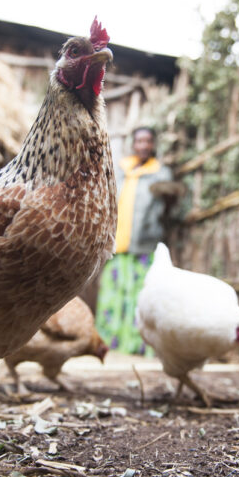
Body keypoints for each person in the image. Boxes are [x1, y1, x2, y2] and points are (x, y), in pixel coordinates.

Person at [96, 127, 175, 354]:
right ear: (133, 144)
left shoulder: (161, 173)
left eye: (148, 141)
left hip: (144, 245)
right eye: (139, 141)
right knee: (113, 294)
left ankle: (138, 346)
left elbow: (169, 207)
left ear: (153, 145)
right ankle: (110, 344)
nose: (143, 145)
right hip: (116, 244)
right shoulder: (119, 170)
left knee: (141, 296)